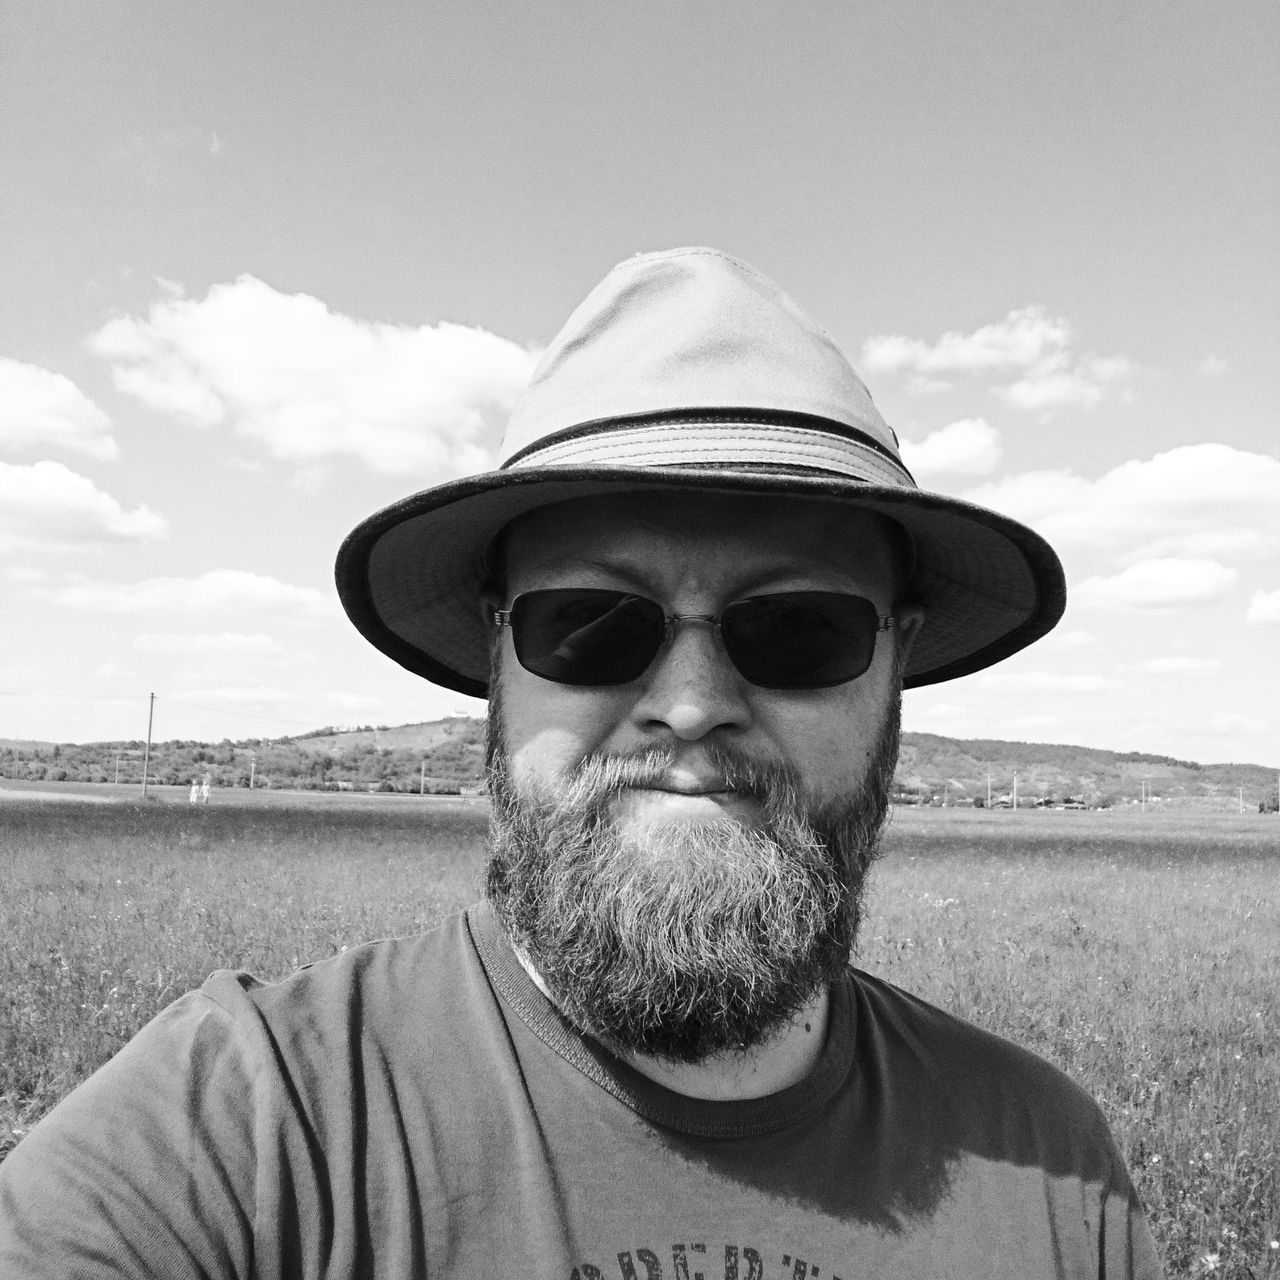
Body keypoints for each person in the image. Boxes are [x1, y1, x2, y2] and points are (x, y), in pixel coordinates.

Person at [0, 247, 1163, 1278]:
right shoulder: (242, 1132)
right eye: (592, 623)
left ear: (892, 669)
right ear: (497, 665)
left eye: (798, 629)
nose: (693, 705)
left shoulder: (1053, 1173)